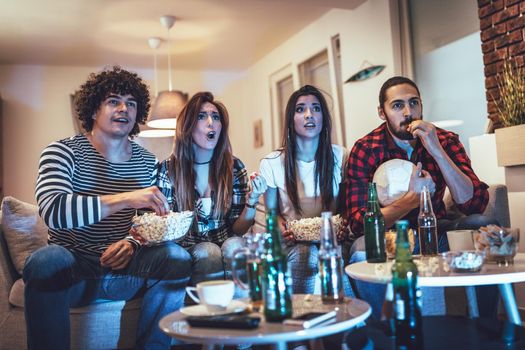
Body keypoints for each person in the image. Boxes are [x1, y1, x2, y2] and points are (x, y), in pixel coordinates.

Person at [25, 66, 192, 350]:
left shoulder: (147, 161)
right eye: (113, 100)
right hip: (73, 270)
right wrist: (127, 198)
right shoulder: (62, 152)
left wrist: (132, 242)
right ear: (93, 110)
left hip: (123, 271)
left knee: (176, 257)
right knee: (45, 260)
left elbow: (149, 223)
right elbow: (54, 211)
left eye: (131, 103)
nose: (123, 108)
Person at [345, 76, 498, 318]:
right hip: (390, 240)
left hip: (435, 233)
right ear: (382, 112)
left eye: (414, 103)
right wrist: (411, 199)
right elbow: (358, 222)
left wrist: (436, 151)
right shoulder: (366, 149)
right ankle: (383, 331)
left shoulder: (444, 140)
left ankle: (486, 324)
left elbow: (474, 203)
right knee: (361, 247)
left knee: (483, 226)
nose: (409, 112)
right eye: (397, 105)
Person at [157, 91, 267, 288]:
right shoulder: (169, 169)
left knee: (236, 246)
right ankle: (208, 315)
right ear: (187, 127)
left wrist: (253, 199)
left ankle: (244, 312)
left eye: (215, 117)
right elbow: (168, 229)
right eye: (202, 116)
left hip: (227, 240)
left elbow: (238, 229)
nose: (211, 123)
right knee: (208, 251)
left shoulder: (234, 167)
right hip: (187, 246)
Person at [259, 85, 353, 295]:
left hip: (333, 238)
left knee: (332, 254)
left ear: (324, 118)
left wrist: (343, 225)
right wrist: (281, 230)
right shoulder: (272, 163)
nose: (309, 115)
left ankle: (350, 320)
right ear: (291, 120)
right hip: (294, 242)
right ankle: (299, 319)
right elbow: (272, 214)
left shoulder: (341, 156)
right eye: (300, 109)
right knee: (306, 252)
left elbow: (347, 207)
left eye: (316, 108)